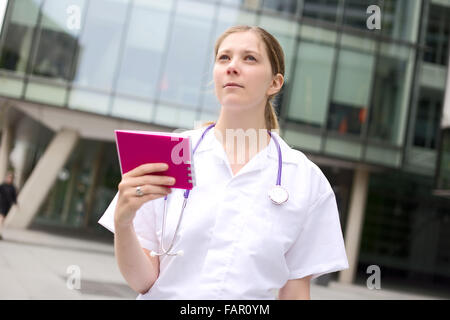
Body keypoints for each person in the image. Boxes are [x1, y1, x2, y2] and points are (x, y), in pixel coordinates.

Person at [99, 25, 348, 300]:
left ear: (275, 83)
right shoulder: (167, 156)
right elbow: (143, 281)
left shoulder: (305, 180)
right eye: (224, 58)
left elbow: (295, 292)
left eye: (249, 58)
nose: (232, 67)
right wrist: (123, 223)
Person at [0, 171, 18, 240]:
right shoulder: (2, 185)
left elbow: (14, 197)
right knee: (1, 219)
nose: (9, 179)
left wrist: (16, 204)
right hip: (1, 204)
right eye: (8, 177)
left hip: (8, 206)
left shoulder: (13, 187)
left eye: (11, 177)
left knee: (2, 220)